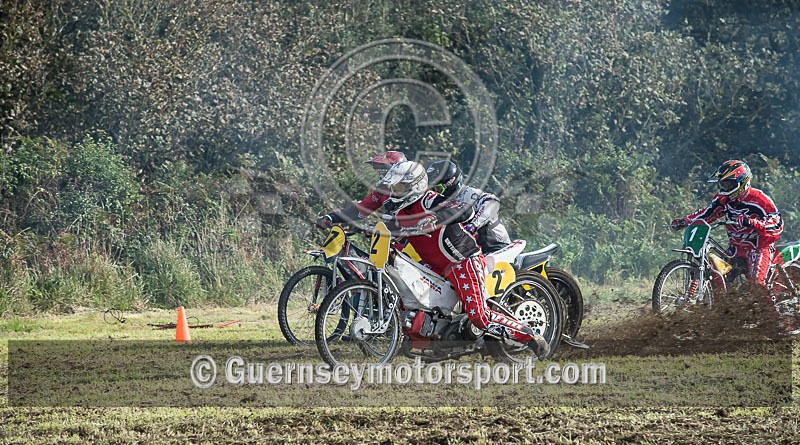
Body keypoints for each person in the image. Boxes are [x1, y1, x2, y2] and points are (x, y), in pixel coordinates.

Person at [377, 161, 549, 357]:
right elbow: (387, 230)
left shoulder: (429, 200)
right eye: (394, 187)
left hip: (463, 261)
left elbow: (465, 211)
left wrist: (436, 217)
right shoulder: (398, 211)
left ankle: (530, 336)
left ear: (414, 186)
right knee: (408, 292)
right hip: (435, 266)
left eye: (399, 187)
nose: (395, 192)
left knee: (479, 317)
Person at [671, 160, 790, 329]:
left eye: (729, 184)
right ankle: (727, 318)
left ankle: (776, 322)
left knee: (757, 282)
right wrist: (685, 221)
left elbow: (776, 222)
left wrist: (752, 222)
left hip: (758, 247)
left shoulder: (759, 199)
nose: (725, 188)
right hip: (735, 248)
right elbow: (706, 214)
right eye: (723, 184)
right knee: (721, 276)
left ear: (742, 182)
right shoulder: (723, 200)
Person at [425, 160, 511, 253]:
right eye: (431, 189)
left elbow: (493, 202)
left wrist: (474, 225)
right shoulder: (436, 202)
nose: (435, 193)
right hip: (469, 252)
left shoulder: (468, 194)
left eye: (437, 189)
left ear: (451, 182)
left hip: (495, 246)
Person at [315, 151, 407, 229]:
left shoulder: (412, 188)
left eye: (383, 168)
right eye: (378, 169)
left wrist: (379, 226)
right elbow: (359, 210)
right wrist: (331, 218)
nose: (380, 173)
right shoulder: (381, 191)